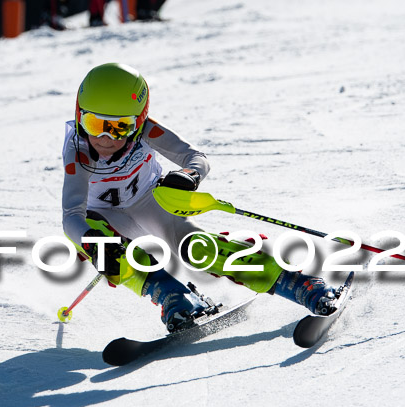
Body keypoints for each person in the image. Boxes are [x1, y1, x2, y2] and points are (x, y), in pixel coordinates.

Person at [61, 63, 338, 332]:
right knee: (103, 246)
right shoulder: (78, 151)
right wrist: (92, 244)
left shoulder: (147, 130)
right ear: (79, 115)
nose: (106, 137)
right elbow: (71, 215)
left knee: (194, 248)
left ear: (139, 121)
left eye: (120, 127)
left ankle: (296, 283)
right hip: (106, 217)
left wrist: (189, 175)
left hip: (149, 200)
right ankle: (173, 295)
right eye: (95, 123)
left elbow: (195, 157)